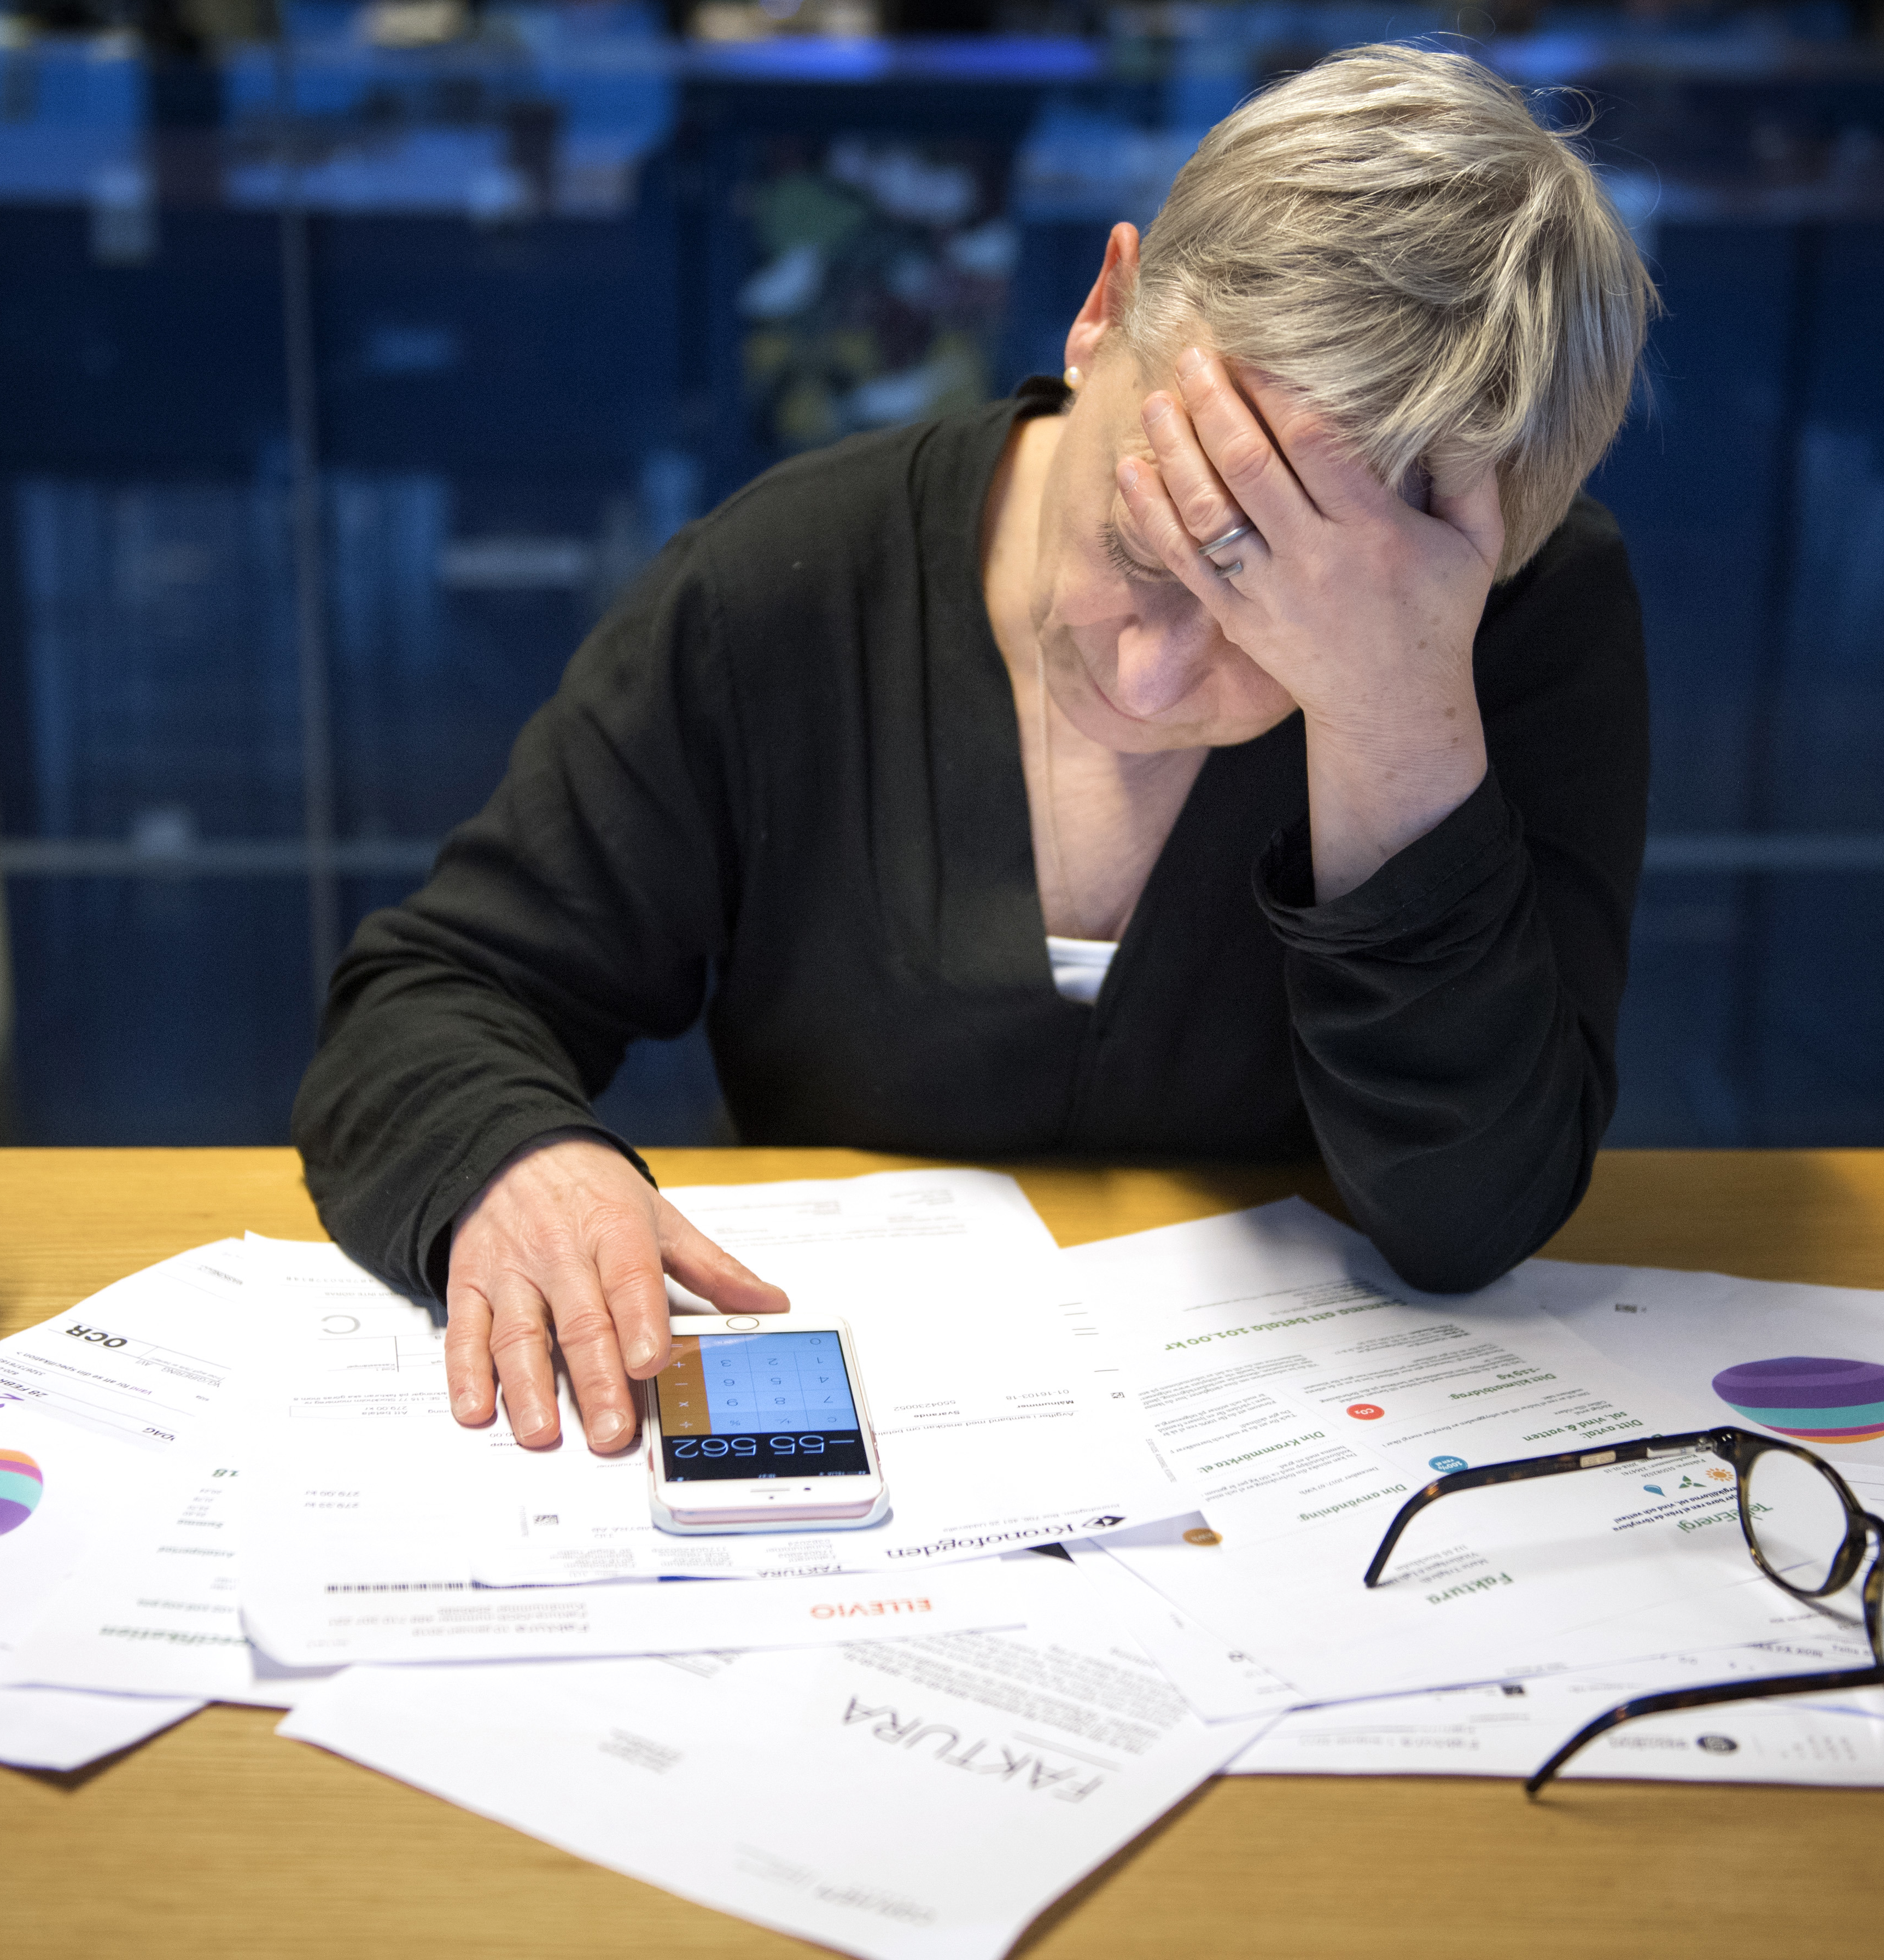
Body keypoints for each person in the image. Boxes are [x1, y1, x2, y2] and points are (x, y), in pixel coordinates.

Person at [295, 44, 1657, 1459]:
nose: (1156, 672)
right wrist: (522, 1161)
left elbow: (1471, 1220)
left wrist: (1394, 712)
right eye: (1147, 547)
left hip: (1316, 1470)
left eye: (1282, 632)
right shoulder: (789, 581)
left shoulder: (1519, 632)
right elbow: (435, 997)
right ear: (1101, 312)